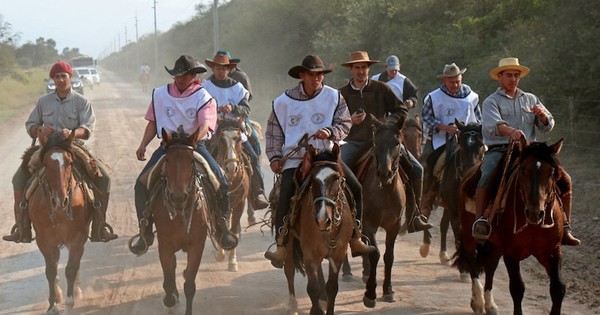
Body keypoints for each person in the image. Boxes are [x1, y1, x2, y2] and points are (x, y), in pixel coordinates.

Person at [264, 55, 377, 268]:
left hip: (327, 156)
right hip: (295, 159)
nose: (317, 79)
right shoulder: (282, 102)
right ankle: (281, 243)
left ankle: (356, 237)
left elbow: (344, 123)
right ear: (302, 75)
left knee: (356, 187)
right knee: (284, 193)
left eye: (320, 75)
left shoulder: (334, 97)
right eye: (313, 75)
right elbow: (273, 133)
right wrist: (275, 157)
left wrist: (330, 131)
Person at [130, 55, 237, 254]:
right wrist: (143, 144)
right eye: (177, 75)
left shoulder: (203, 97)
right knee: (141, 184)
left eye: (185, 75)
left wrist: (196, 137)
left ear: (194, 76)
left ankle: (222, 227)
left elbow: (206, 124)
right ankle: (144, 230)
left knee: (221, 181)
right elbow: (153, 122)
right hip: (168, 147)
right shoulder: (160, 94)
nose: (180, 78)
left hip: (194, 145)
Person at [3, 61, 118, 243]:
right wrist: (39, 129)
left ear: (70, 77)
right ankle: (22, 227)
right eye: (57, 77)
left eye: (64, 76)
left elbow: (88, 128)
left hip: (72, 147)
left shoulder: (82, 102)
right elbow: (30, 125)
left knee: (104, 177)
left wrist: (72, 133)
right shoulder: (43, 102)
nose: (61, 80)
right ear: (53, 80)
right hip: (46, 148)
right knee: (18, 178)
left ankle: (99, 226)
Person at [472, 57, 580, 246]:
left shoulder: (531, 99)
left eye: (516, 75)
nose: (513, 79)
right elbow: (492, 125)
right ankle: (480, 220)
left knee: (564, 179)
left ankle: (566, 227)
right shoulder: (491, 101)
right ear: (499, 77)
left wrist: (543, 117)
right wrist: (511, 131)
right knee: (487, 172)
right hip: (501, 148)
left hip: (530, 150)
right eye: (508, 75)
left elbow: (547, 125)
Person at [338, 51, 432, 233]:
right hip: (354, 141)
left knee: (417, 169)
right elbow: (334, 119)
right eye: (356, 67)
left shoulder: (381, 88)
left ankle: (414, 216)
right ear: (351, 69)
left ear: (368, 69)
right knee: (337, 169)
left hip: (383, 142)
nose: (360, 71)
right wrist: (350, 120)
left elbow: (401, 110)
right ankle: (342, 214)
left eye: (363, 67)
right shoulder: (342, 94)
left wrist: (389, 124)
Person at [203, 53, 269, 210]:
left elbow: (246, 108)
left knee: (253, 154)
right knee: (200, 155)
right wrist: (213, 111)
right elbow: (200, 107)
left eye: (224, 68)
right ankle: (199, 191)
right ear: (213, 68)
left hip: (236, 126)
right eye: (218, 68)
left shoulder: (238, 87)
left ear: (229, 69)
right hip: (214, 128)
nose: (221, 71)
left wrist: (233, 107)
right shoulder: (205, 88)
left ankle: (257, 192)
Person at [420, 63, 481, 218]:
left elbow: (478, 119)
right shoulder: (433, 98)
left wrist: (468, 130)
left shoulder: (471, 96)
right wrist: (444, 128)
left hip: (467, 139)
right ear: (444, 81)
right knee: (428, 164)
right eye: (451, 81)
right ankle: (426, 200)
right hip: (441, 140)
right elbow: (426, 119)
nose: (455, 85)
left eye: (458, 81)